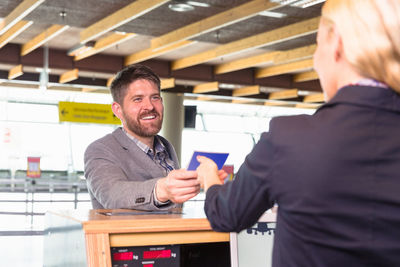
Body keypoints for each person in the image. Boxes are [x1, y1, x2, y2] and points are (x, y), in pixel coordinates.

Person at [196, 0, 400, 266]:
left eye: (317, 45)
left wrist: (210, 180)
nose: (316, 60)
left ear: (336, 42)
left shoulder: (289, 137)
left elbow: (227, 215)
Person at [84, 64, 200, 210]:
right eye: (138, 99)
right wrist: (162, 190)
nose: (150, 106)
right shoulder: (100, 149)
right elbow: (114, 196)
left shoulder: (166, 147)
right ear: (118, 110)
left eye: (155, 97)